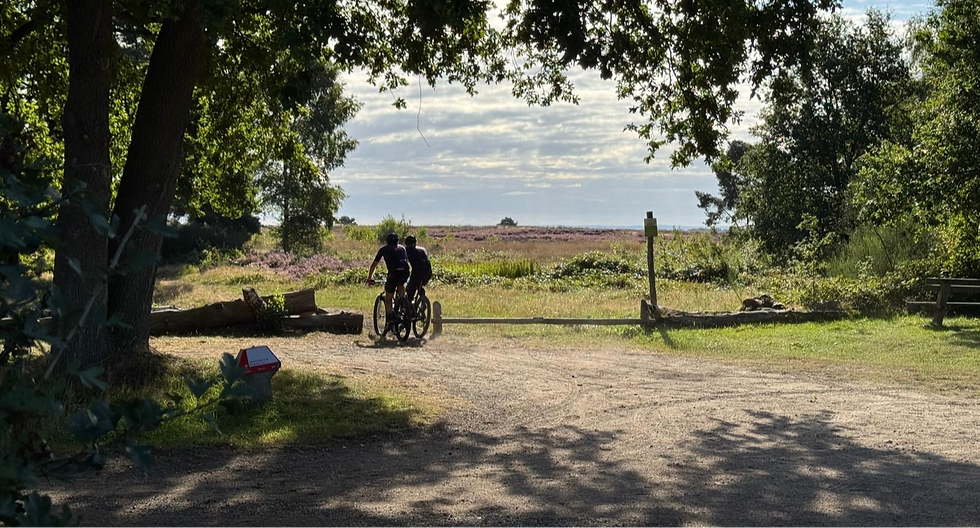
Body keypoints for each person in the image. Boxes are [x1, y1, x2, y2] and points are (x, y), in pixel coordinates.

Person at [366, 233, 409, 322]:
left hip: (393, 273)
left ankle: (390, 318)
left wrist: (369, 278)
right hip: (405, 272)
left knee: (388, 298)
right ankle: (403, 306)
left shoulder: (384, 249)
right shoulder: (402, 248)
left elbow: (374, 264)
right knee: (401, 285)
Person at [404, 235, 432, 303]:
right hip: (428, 272)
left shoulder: (407, 250)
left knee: (411, 288)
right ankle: (423, 302)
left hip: (417, 272)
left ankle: (409, 306)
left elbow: (404, 262)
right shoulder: (422, 249)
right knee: (419, 286)